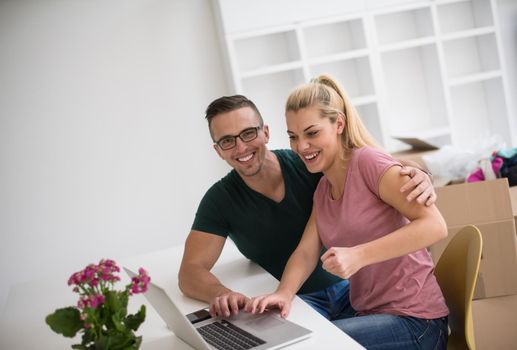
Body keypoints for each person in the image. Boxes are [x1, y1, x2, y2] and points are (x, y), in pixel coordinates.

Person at [178, 94, 437, 322]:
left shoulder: (310, 164)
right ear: (218, 150)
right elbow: (190, 272)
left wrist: (417, 171)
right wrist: (222, 294)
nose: (241, 147)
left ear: (265, 132)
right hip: (299, 300)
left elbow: (363, 162)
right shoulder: (220, 200)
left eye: (248, 133)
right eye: (227, 141)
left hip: (353, 289)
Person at [245, 75, 449, 349]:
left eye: (312, 133)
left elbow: (435, 225)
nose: (301, 146)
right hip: (370, 313)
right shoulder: (323, 189)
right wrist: (283, 293)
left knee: (315, 344)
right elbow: (306, 253)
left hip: (416, 322)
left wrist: (358, 255)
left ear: (338, 124)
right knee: (291, 335)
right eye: (293, 137)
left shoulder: (367, 162)